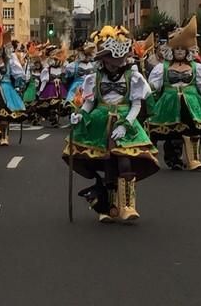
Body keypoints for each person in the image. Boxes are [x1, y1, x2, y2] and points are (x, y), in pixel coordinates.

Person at [65, 25, 158, 223]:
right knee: (107, 163)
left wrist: (126, 124)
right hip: (100, 123)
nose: (116, 65)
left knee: (124, 159)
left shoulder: (133, 77)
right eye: (112, 62)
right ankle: (106, 206)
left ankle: (128, 206)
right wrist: (80, 115)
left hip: (124, 122)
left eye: (119, 61)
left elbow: (136, 105)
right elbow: (90, 102)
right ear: (104, 61)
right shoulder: (93, 78)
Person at [146, 16, 201, 171]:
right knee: (172, 132)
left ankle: (194, 160)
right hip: (169, 103)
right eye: (177, 49)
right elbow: (155, 87)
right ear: (172, 51)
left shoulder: (197, 68)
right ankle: (173, 159)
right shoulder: (162, 68)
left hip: (192, 104)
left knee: (192, 130)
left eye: (182, 49)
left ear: (188, 51)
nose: (179, 52)